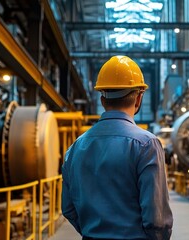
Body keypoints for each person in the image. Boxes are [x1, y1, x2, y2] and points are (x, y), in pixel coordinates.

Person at [61, 55, 173, 240]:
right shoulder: (147, 145)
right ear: (138, 99)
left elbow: (68, 208)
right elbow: (157, 221)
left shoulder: (75, 148)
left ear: (103, 99)